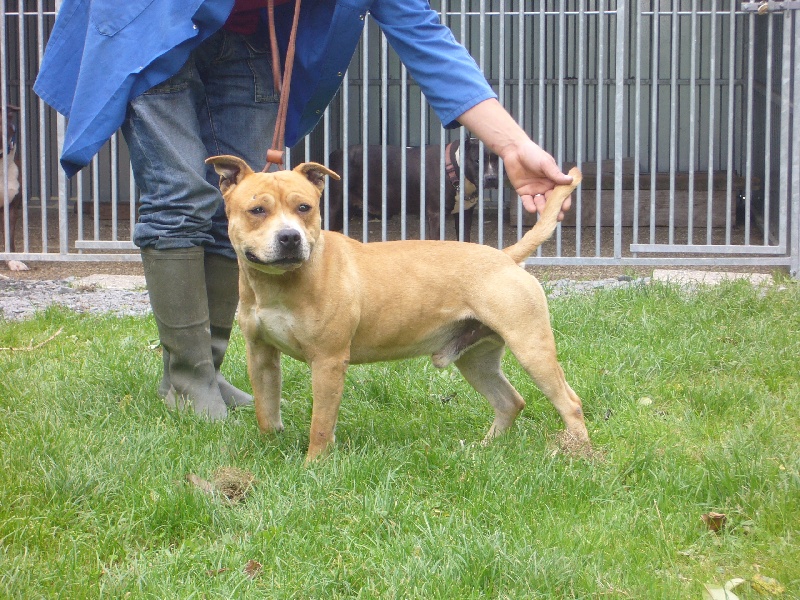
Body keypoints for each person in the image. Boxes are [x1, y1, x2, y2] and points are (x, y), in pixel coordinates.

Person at [34, 0, 573, 420]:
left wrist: (509, 144)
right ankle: (186, 379)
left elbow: (423, 34)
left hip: (252, 41)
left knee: (250, 211)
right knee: (181, 194)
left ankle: (210, 368)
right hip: (155, 23)